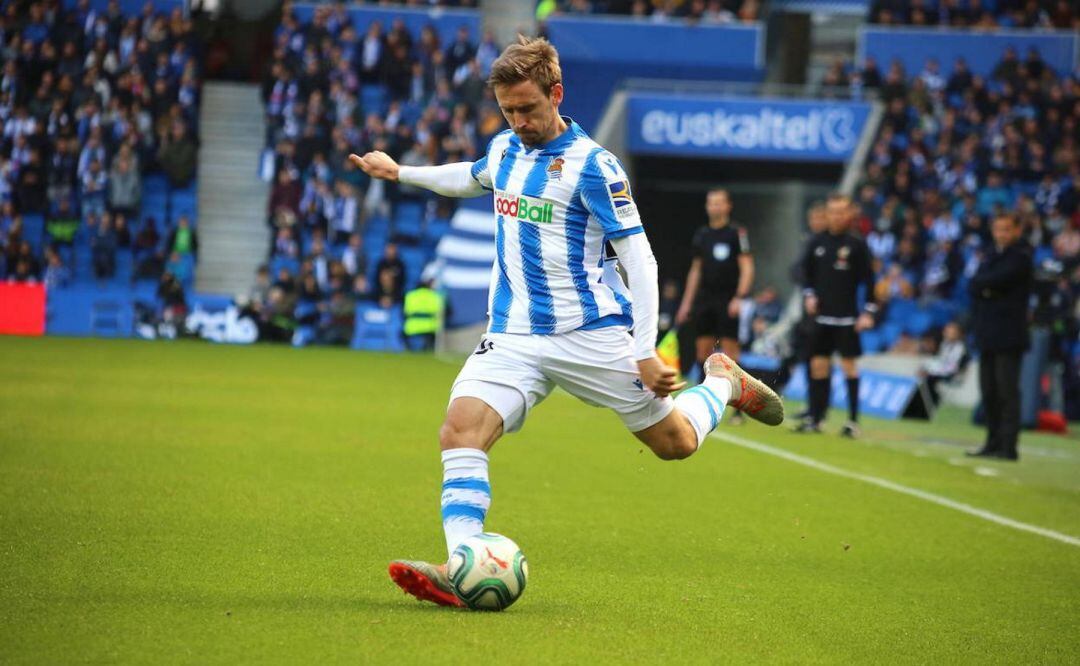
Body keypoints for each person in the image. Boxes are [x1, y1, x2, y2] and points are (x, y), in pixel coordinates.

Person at [348, 36, 783, 608]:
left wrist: (647, 350)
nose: (519, 120)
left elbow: (641, 260)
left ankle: (724, 380)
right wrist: (401, 172)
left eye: (528, 108)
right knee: (459, 431)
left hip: (590, 334)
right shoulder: (505, 148)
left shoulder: (596, 168)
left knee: (675, 444)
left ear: (557, 93)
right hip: (512, 334)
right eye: (509, 110)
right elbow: (469, 177)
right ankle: (462, 564)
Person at [796, 193, 878, 437]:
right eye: (832, 211)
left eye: (841, 211)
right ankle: (816, 417)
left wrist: (868, 311)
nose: (836, 216)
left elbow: (870, 280)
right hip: (821, 317)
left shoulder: (857, 244)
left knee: (849, 367)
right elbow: (806, 274)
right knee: (818, 365)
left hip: (847, 318)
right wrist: (809, 295)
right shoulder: (817, 242)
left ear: (850, 214)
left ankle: (853, 420)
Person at [967, 214, 1032, 461]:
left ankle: (1008, 446)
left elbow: (994, 281)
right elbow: (974, 284)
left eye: (1006, 229)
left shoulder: (1020, 257)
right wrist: (986, 288)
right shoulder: (991, 255)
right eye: (998, 229)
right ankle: (991, 442)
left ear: (1016, 230)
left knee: (1007, 392)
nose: (1001, 234)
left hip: (1008, 335)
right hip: (987, 333)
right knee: (989, 392)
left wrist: (986, 287)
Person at [675, 187, 754, 381]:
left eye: (719, 203)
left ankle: (737, 407)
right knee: (703, 352)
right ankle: (703, 400)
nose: (714, 207)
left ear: (728, 206)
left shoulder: (737, 233)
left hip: (728, 299)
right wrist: (686, 303)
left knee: (731, 353)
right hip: (705, 299)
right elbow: (696, 270)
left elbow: (747, 267)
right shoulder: (702, 234)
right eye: (711, 203)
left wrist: (739, 297)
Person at [919, 321, 968, 406]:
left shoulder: (960, 348)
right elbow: (939, 361)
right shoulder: (945, 345)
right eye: (946, 331)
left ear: (959, 334)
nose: (947, 334)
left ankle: (932, 403)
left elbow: (952, 367)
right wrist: (926, 368)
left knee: (929, 380)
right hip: (942, 372)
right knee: (924, 377)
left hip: (952, 375)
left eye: (951, 332)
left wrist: (932, 372)